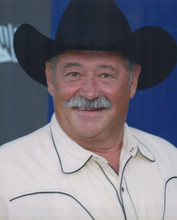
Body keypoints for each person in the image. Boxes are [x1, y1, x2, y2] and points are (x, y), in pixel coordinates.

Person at [0, 0, 177, 219]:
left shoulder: (171, 163)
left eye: (106, 75)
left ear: (132, 82)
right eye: (74, 74)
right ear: (50, 78)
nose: (90, 92)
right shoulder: (5, 176)